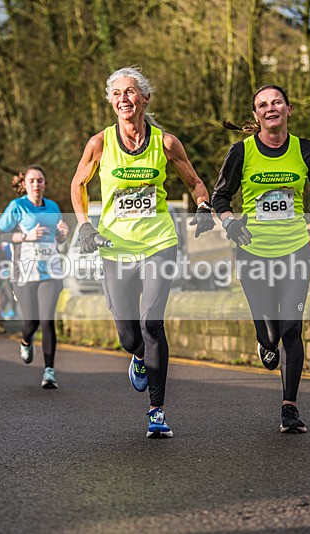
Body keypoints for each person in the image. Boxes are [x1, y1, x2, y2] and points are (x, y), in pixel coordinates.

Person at [70, 67, 216, 437]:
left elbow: (196, 182)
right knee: (129, 336)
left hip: (158, 244)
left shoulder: (165, 144)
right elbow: (78, 184)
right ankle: (136, 356)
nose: (124, 99)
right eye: (117, 93)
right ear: (111, 102)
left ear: (145, 98)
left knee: (153, 324)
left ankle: (157, 411)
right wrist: (85, 224)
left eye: (131, 92)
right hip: (115, 247)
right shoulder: (99, 144)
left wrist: (202, 205)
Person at [212, 84, 310, 433]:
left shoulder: (305, 150)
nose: (270, 108)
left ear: (289, 109)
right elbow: (220, 197)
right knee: (270, 337)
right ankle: (263, 342)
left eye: (276, 102)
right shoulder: (242, 152)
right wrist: (229, 223)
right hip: (253, 253)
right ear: (256, 115)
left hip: (295, 252)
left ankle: (290, 408)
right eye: (262, 105)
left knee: (291, 330)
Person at [0, 166, 69, 388]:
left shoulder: (53, 207)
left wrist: (62, 234)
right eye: (32, 181)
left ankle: (49, 371)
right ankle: (26, 340)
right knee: (31, 321)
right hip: (24, 272)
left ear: (45, 183)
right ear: (25, 185)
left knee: (47, 320)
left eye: (40, 180)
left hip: (50, 272)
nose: (36, 184)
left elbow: (57, 239)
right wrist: (24, 236)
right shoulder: (17, 207)